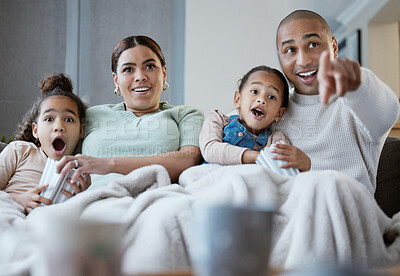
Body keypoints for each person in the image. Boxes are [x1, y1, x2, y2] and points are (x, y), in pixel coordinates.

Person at [272, 10, 399, 194]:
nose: (303, 60)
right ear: (280, 56)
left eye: (313, 44)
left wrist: (358, 84)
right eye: (290, 50)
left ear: (334, 47)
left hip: (347, 210)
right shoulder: (273, 110)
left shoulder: (354, 103)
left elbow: (388, 112)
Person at [57, 35, 204, 186]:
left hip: (157, 199)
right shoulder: (89, 116)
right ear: (116, 80)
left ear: (164, 73)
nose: (140, 77)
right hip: (93, 201)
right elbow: (53, 152)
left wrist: (108, 164)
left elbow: (189, 159)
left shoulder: (186, 114)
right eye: (128, 69)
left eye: (150, 67)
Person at [0, 73, 90, 214]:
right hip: (10, 212)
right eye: (49, 119)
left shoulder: (80, 171)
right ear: (35, 130)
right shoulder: (20, 150)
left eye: (68, 119)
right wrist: (17, 199)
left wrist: (80, 199)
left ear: (81, 131)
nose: (59, 126)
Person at [199, 65, 311, 172]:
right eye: (254, 91)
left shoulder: (275, 139)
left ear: (279, 114)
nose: (262, 99)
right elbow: (210, 150)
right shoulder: (218, 119)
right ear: (238, 100)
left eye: (272, 97)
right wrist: (258, 157)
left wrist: (304, 165)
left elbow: (282, 168)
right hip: (213, 179)